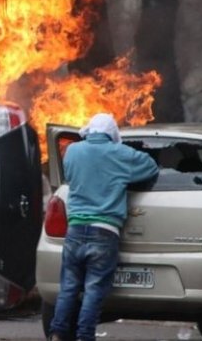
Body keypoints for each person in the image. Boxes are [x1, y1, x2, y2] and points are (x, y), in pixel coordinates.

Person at [48, 113, 158, 341]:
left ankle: (58, 333)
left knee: (68, 287)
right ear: (111, 134)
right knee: (94, 290)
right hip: (104, 231)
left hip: (75, 230)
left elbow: (69, 176)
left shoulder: (72, 151)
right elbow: (150, 167)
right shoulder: (120, 154)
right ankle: (84, 336)